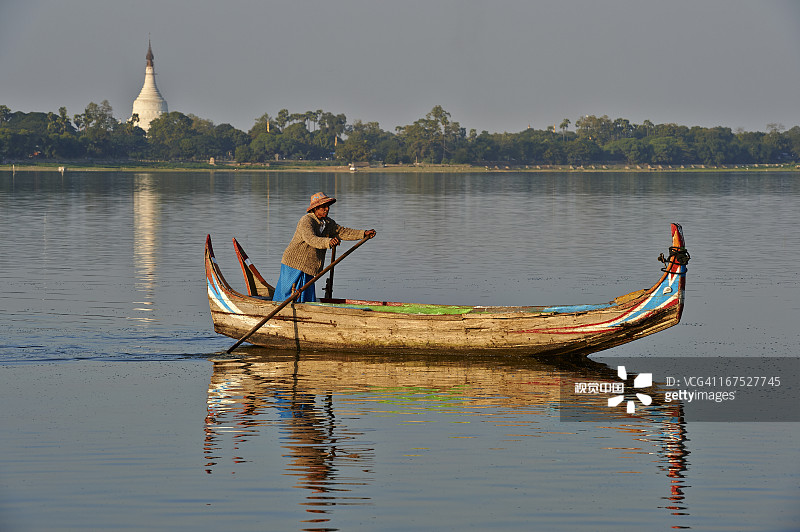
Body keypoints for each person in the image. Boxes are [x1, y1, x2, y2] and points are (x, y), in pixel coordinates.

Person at [273, 192, 376, 303]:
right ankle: (280, 312)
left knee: (305, 297)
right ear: (315, 208)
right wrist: (329, 242)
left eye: (327, 207)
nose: (326, 209)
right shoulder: (306, 220)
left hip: (309, 266)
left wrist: (363, 233)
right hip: (294, 263)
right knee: (287, 294)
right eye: (323, 207)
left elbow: (342, 232)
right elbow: (311, 239)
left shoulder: (327, 222)